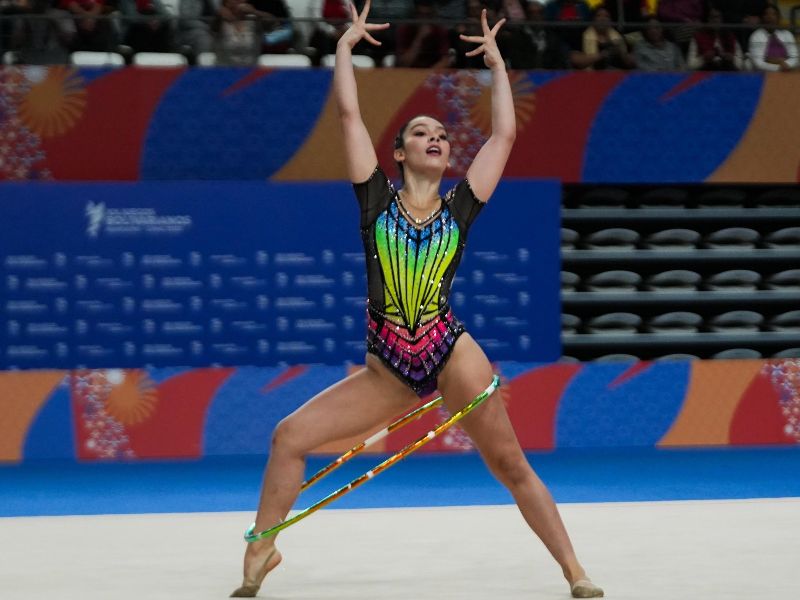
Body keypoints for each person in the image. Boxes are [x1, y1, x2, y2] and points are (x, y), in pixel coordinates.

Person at [230, 1, 605, 599]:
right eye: (420, 133)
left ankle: (576, 572)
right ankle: (262, 548)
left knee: (509, 464)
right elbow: (349, 114)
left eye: (441, 133)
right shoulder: (376, 201)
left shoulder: (461, 206)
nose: (436, 137)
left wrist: (500, 66)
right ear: (399, 154)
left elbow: (505, 133)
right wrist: (345, 48)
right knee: (287, 437)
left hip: (450, 350)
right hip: (388, 369)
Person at [577, 5, 634, 70]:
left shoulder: (618, 37)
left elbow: (630, 63)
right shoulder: (583, 36)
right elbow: (578, 62)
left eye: (606, 16)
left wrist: (621, 52)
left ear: (611, 21)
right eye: (599, 16)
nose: (602, 19)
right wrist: (602, 55)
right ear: (593, 20)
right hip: (592, 76)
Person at [687, 6, 743, 71]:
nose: (715, 20)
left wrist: (732, 58)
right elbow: (690, 65)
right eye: (712, 17)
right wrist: (703, 58)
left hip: (728, 74)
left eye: (718, 17)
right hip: (705, 75)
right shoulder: (698, 37)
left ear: (722, 19)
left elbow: (741, 65)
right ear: (708, 19)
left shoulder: (730, 37)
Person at [748, 3, 798, 72]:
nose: (770, 17)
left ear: (778, 17)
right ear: (762, 18)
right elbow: (758, 63)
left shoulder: (787, 34)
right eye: (766, 14)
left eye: (773, 14)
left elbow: (794, 57)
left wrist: (786, 65)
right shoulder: (756, 36)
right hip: (764, 74)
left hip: (786, 70)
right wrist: (778, 67)